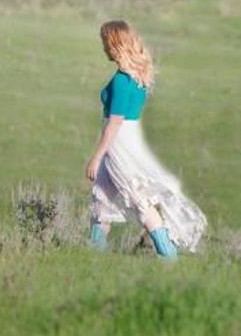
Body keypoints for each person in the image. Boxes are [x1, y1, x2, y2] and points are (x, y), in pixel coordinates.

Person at [86, 20, 207, 259]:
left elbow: (114, 124)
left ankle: (168, 254)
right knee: (102, 198)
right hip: (126, 141)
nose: (102, 47)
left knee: (138, 199)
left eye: (104, 42)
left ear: (114, 44)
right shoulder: (136, 77)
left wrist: (96, 157)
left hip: (118, 145)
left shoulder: (122, 81)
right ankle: (93, 253)